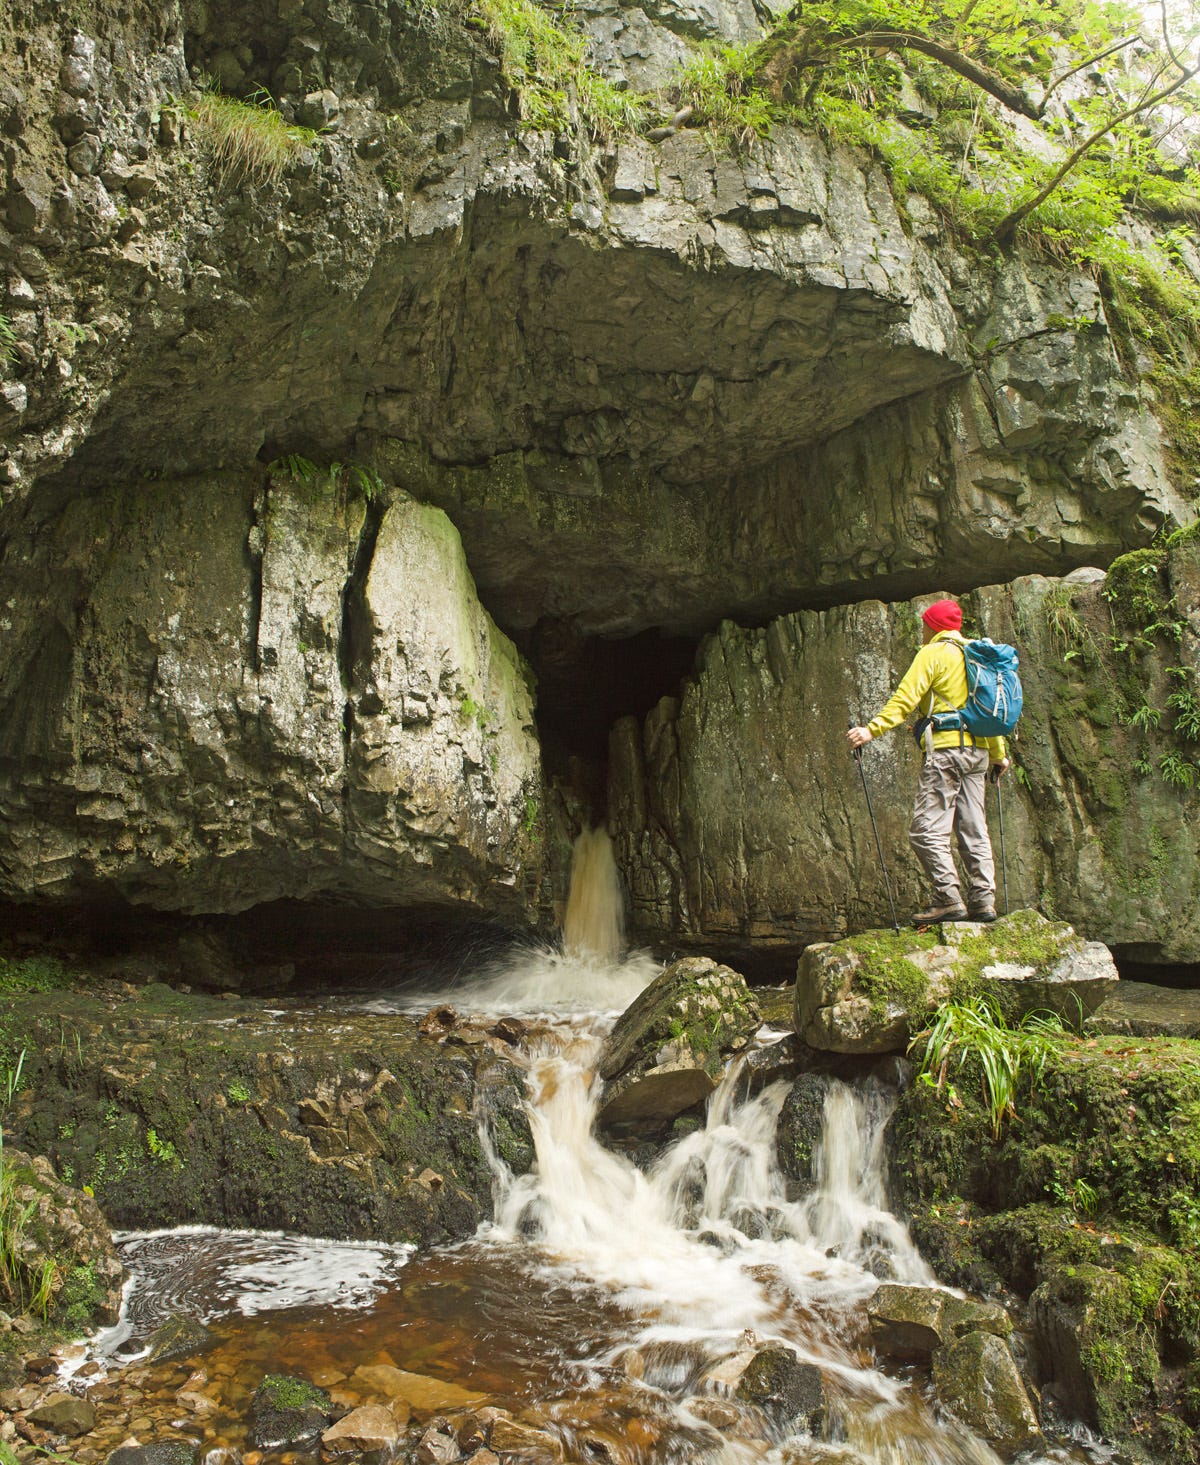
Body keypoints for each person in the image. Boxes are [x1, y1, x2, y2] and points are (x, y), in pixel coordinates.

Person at [846, 598, 1011, 925]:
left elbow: (904, 699)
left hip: (946, 752)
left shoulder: (933, 654)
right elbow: (986, 710)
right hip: (978, 754)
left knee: (926, 831)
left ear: (933, 626)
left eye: (924, 625)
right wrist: (997, 754)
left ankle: (948, 899)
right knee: (974, 827)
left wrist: (870, 731)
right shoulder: (976, 656)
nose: (922, 631)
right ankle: (983, 900)